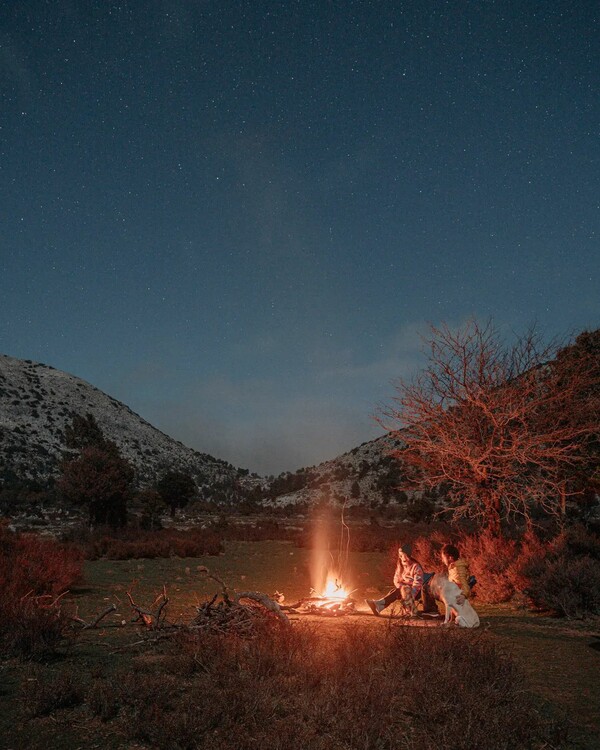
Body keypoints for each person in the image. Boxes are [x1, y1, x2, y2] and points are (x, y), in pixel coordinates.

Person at [366, 544, 424, 617]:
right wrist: (401, 588)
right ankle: (379, 606)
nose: (400, 557)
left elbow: (418, 584)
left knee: (397, 591)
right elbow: (396, 579)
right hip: (402, 589)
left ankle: (378, 604)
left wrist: (409, 594)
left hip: (415, 592)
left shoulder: (416, 566)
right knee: (395, 591)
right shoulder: (400, 565)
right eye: (399, 555)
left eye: (401, 555)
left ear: (407, 555)